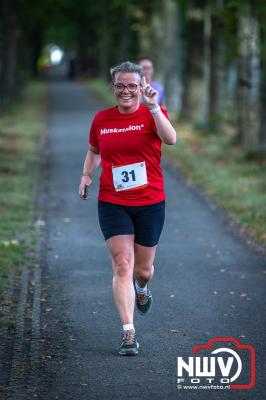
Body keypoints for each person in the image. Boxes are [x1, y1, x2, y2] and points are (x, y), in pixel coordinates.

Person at [79, 61, 176, 356]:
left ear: (142, 86)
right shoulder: (102, 120)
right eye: (120, 85)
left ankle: (142, 289)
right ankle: (128, 332)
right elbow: (95, 150)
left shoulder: (152, 115)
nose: (125, 91)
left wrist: (154, 107)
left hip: (150, 202)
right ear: (113, 88)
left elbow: (171, 139)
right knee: (123, 264)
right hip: (112, 200)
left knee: (143, 270)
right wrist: (86, 175)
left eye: (132, 85)